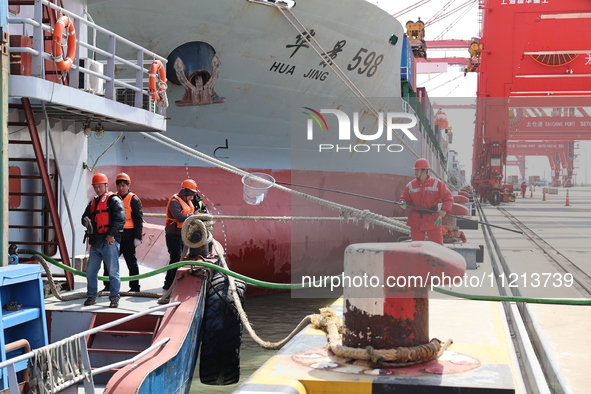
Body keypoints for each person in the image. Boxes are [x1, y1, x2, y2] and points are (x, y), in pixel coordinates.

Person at [82, 173, 125, 308]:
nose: (98, 189)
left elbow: (120, 219)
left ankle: (114, 297)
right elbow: (85, 216)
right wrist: (85, 221)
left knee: (113, 271)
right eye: (96, 187)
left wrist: (111, 235)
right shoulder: (93, 202)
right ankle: (91, 295)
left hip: (109, 242)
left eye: (100, 186)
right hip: (96, 242)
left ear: (106, 185)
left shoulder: (113, 200)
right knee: (91, 272)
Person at [163, 179, 208, 290]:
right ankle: (172, 285)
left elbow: (199, 208)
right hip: (173, 235)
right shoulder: (175, 202)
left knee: (177, 258)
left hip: (182, 235)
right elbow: (178, 217)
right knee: (175, 258)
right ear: (185, 192)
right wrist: (193, 216)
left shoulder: (188, 201)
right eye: (191, 195)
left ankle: (168, 284)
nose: (192, 197)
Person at [102, 173, 143, 292]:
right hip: (115, 234)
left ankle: (135, 287)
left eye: (123, 185)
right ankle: (107, 286)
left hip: (129, 236)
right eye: (119, 186)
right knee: (108, 260)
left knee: (131, 262)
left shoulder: (134, 199)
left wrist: (137, 237)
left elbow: (138, 219)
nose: (121, 188)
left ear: (128, 185)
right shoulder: (113, 198)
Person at [399, 158, 454, 245]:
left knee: (437, 246)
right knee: (417, 247)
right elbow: (405, 199)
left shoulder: (437, 183)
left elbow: (448, 197)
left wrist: (444, 210)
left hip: (433, 219)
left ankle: (437, 259)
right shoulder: (410, 185)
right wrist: (403, 203)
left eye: (417, 170)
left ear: (425, 171)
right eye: (415, 170)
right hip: (416, 220)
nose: (415, 172)